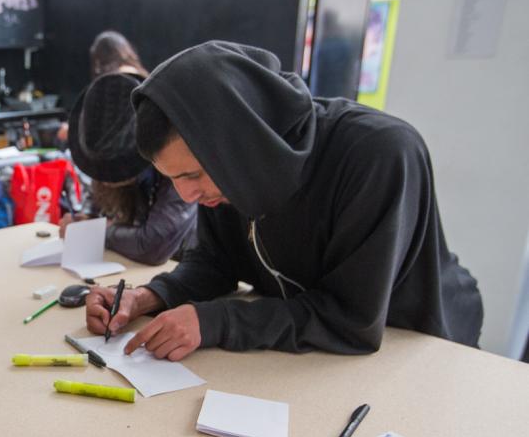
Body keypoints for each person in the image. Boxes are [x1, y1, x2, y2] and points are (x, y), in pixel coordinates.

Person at [85, 40, 483, 360]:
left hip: (418, 348)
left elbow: (353, 319)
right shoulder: (227, 174)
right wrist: (149, 297)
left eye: (193, 174)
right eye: (174, 180)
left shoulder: (379, 154)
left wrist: (214, 321)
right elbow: (215, 263)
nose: (188, 194)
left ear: (239, 143)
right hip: (314, 354)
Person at [63, 71, 197, 264]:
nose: (103, 179)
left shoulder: (176, 161)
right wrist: (82, 221)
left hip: (184, 266)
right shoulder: (103, 145)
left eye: (109, 170)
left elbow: (154, 246)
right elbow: (94, 206)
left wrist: (96, 231)